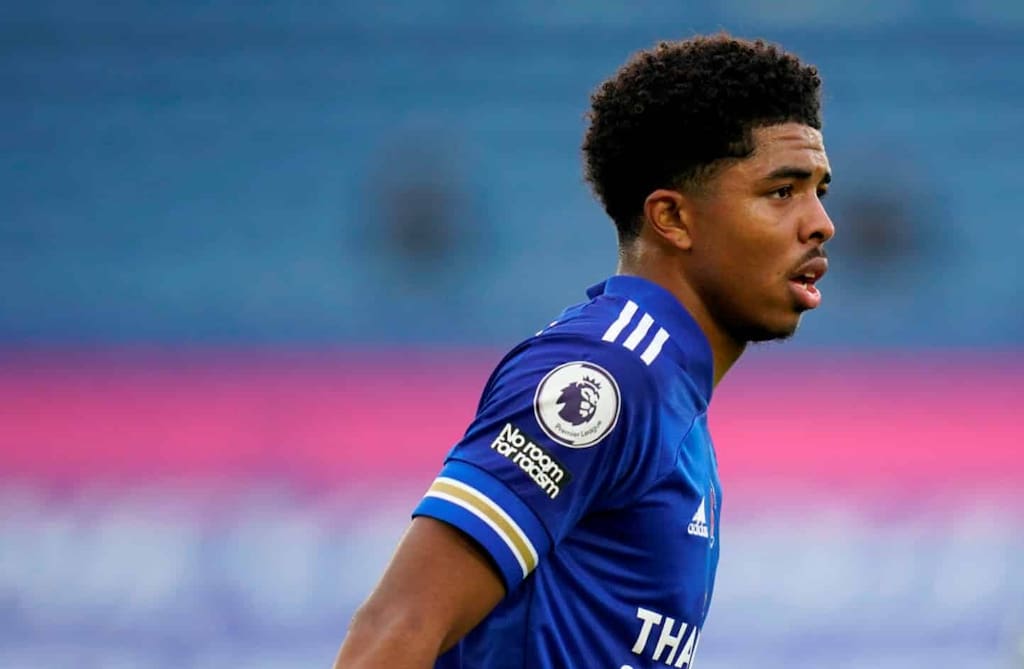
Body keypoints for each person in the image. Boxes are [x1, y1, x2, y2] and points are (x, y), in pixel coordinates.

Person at [334, 33, 834, 668]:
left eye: (820, 190)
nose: (820, 222)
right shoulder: (606, 374)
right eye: (781, 192)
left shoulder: (668, 390)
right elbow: (395, 630)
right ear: (672, 219)